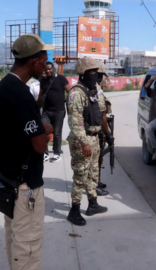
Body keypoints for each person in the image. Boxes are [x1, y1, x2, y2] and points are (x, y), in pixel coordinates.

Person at [0, 34, 54, 270]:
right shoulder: (19, 93)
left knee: (16, 242)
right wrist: (45, 129)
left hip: (9, 179)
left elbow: (17, 129)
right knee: (27, 247)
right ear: (34, 61)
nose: (46, 66)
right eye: (45, 61)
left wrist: (37, 126)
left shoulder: (3, 87)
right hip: (25, 187)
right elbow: (39, 145)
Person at [66, 56, 110, 226]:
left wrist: (105, 133)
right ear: (83, 74)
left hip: (94, 138)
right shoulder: (76, 93)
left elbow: (101, 112)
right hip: (81, 141)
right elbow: (74, 122)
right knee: (80, 176)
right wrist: (84, 143)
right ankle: (74, 210)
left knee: (93, 174)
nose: (96, 75)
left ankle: (93, 204)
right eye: (93, 72)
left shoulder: (95, 89)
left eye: (97, 72)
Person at [38, 62, 71, 163]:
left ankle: (56, 153)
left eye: (49, 69)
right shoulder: (43, 80)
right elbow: (40, 95)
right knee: (43, 131)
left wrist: (71, 106)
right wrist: (36, 108)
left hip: (59, 111)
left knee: (57, 133)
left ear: (54, 69)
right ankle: (45, 153)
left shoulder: (61, 79)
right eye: (46, 70)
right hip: (46, 111)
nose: (48, 71)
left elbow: (70, 92)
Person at [95, 61, 114, 193]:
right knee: (96, 160)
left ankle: (96, 182)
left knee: (98, 158)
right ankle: (94, 186)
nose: (101, 77)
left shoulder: (93, 88)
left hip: (97, 129)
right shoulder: (96, 90)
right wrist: (108, 134)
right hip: (97, 130)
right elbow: (102, 115)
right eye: (100, 75)